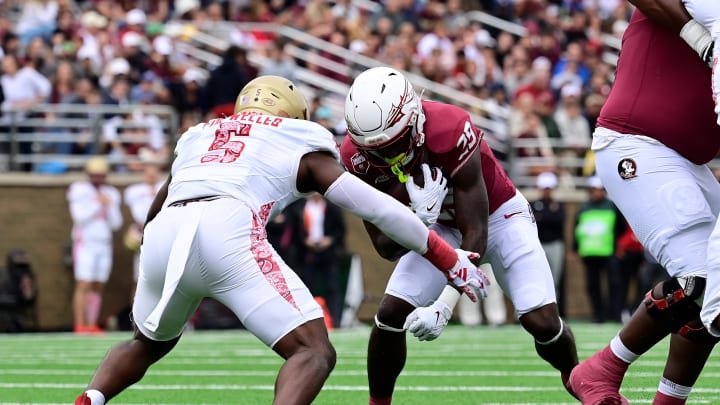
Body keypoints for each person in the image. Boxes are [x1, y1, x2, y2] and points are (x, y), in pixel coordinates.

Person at [74, 75, 490, 405]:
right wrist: (444, 255)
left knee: (145, 343)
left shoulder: (199, 134)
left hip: (165, 231)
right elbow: (375, 207)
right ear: (295, 113)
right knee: (313, 351)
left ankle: (91, 398)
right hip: (228, 228)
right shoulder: (298, 137)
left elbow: (156, 210)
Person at [340, 66, 579, 405]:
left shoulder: (450, 128)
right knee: (389, 315)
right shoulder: (356, 158)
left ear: (414, 120)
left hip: (499, 217)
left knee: (541, 321)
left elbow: (476, 232)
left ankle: (584, 384)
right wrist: (416, 220)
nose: (386, 157)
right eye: (376, 150)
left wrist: (443, 306)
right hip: (436, 225)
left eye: (393, 146)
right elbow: (384, 247)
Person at [567, 1, 720, 404]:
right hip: (637, 141)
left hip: (690, 159)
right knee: (700, 274)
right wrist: (696, 37)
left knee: (719, 284)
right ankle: (602, 369)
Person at [67, 156, 122, 334]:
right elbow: (80, 218)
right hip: (85, 243)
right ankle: (79, 324)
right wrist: (97, 205)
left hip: (104, 244)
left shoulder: (111, 193)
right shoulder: (78, 190)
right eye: (95, 175)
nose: (98, 179)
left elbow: (116, 223)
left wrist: (109, 206)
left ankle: (91, 323)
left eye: (101, 175)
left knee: (98, 284)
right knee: (84, 283)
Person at [571, 176, 626, 323]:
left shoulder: (612, 206)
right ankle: (598, 315)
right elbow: (577, 229)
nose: (597, 193)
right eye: (594, 190)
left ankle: (614, 314)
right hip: (589, 253)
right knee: (593, 286)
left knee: (614, 284)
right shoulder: (583, 208)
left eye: (600, 190)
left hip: (609, 252)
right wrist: (575, 249)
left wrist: (618, 246)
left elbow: (621, 228)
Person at [122, 159, 165, 295]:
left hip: (162, 237)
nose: (151, 177)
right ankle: (135, 315)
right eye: (148, 174)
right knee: (139, 279)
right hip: (143, 236)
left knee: (161, 280)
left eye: (154, 174)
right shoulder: (135, 190)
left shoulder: (165, 188)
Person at [531, 171, 567, 315]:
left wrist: (542, 218)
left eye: (549, 188)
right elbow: (533, 221)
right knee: (534, 279)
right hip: (538, 245)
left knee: (554, 280)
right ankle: (534, 312)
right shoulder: (534, 204)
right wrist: (547, 218)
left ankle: (553, 313)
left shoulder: (559, 205)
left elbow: (558, 221)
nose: (546, 191)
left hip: (555, 245)